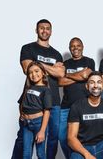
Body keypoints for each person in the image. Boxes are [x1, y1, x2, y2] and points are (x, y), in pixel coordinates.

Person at [11, 19, 65, 159]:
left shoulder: (57, 54)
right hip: (32, 101)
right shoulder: (28, 48)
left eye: (47, 28)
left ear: (51, 31)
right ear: (36, 30)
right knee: (23, 138)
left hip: (53, 100)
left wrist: (38, 64)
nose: (44, 31)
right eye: (41, 28)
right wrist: (51, 68)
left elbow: (60, 73)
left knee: (53, 137)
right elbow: (27, 68)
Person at [58, 37, 95, 159]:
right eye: (73, 46)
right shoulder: (65, 64)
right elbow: (60, 82)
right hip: (66, 106)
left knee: (82, 136)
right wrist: (79, 75)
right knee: (62, 135)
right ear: (70, 48)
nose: (75, 48)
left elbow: (86, 76)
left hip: (84, 105)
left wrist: (67, 75)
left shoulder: (89, 61)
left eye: (78, 45)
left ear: (82, 47)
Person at [20, 62, 52, 159]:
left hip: (39, 123)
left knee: (40, 153)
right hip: (26, 124)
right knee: (26, 153)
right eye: (30, 72)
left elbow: (47, 111)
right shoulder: (28, 88)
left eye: (36, 71)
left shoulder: (46, 90)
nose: (33, 74)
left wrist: (42, 131)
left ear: (43, 72)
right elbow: (21, 102)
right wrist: (21, 114)